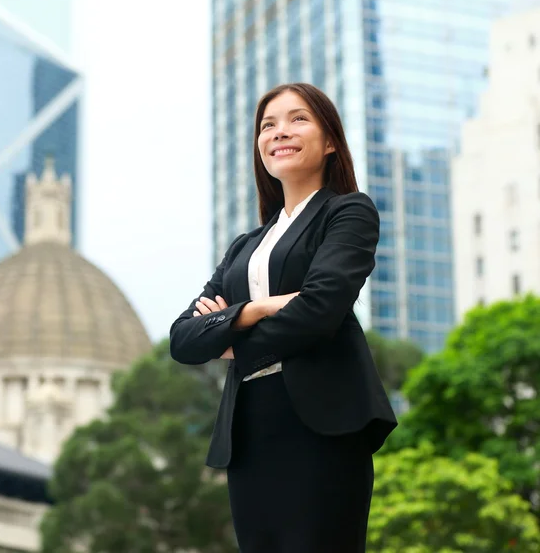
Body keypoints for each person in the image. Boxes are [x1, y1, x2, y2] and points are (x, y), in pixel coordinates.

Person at [170, 83, 397, 552]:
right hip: (250, 430)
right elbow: (183, 338)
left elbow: (319, 310)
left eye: (298, 119)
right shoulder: (244, 247)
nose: (279, 132)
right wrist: (254, 308)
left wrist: (232, 339)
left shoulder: (348, 213)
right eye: (267, 125)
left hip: (321, 423)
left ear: (330, 140)